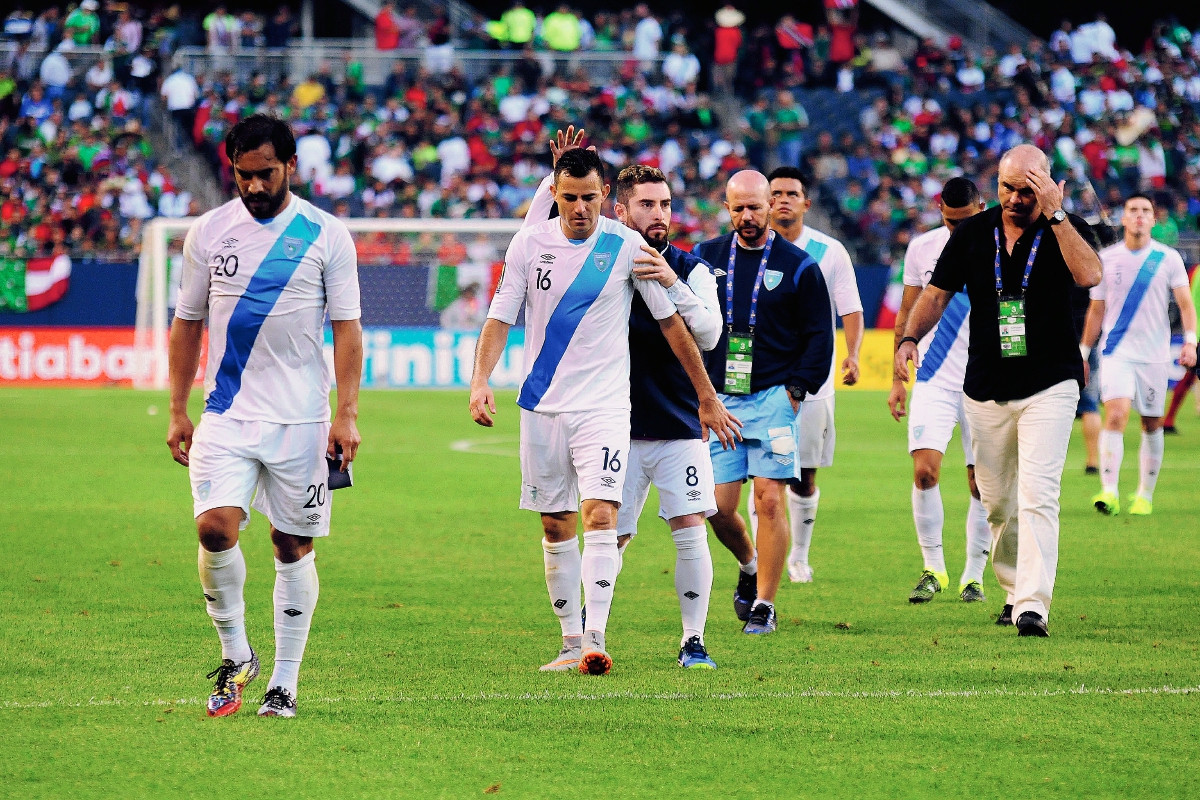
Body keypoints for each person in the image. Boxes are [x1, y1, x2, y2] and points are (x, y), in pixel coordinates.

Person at [470, 147, 738, 675]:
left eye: (589, 197)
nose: (579, 208)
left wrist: (707, 396)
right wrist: (480, 380)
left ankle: (595, 638)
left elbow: (674, 327)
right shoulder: (528, 244)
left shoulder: (627, 246)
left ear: (605, 198)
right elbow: (501, 316)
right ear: (555, 196)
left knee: (601, 516)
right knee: (555, 523)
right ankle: (569, 641)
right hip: (543, 405)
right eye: (568, 198)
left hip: (607, 409)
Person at [166, 115, 363, 717]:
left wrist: (346, 415)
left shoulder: (326, 234)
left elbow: (348, 332)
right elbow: (187, 325)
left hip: (301, 419)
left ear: (291, 168)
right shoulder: (207, 233)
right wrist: (177, 408)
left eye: (266, 174)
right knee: (214, 529)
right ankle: (236, 654)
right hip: (225, 413)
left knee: (291, 542)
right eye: (243, 175)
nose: (254, 186)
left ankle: (285, 681)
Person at [895, 144, 1102, 638]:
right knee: (996, 501)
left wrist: (1055, 214)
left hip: (1051, 382)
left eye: (1028, 189)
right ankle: (1012, 588)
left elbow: (1089, 274)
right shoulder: (971, 233)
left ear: (1050, 187)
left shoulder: (1065, 230)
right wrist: (907, 338)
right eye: (1007, 187)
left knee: (1038, 493)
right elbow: (937, 294)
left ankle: (1032, 605)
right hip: (985, 386)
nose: (1014, 198)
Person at [694, 170, 834, 636]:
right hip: (721, 401)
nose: (748, 216)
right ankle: (750, 564)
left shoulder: (799, 265)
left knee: (770, 499)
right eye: (738, 209)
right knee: (717, 507)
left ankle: (765, 606)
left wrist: (796, 391)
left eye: (756, 207)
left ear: (771, 206)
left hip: (774, 395)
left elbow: (819, 336)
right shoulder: (705, 258)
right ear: (727, 208)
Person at [746, 166, 863, 585]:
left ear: (806, 203)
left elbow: (850, 308)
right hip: (758, 381)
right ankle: (764, 553)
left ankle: (798, 555)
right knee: (758, 472)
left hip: (812, 384)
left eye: (791, 193)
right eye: (775, 193)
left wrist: (853, 355)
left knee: (804, 474)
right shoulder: (749, 248)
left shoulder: (829, 252)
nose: (782, 200)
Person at [888, 177, 991, 603]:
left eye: (965, 222)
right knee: (925, 471)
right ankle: (933, 568)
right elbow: (909, 311)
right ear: (939, 209)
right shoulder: (922, 248)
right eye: (950, 222)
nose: (957, 231)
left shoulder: (1002, 245)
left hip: (985, 379)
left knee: (980, 483)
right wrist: (897, 377)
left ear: (982, 208)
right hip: (933, 376)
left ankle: (974, 575)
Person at [1082, 194, 1197, 516]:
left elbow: (1186, 305)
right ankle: (1109, 492)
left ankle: (1144, 494)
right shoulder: (1107, 258)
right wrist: (1084, 351)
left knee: (1151, 422)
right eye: (1133, 210)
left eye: (1145, 211)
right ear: (1123, 218)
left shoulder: (1168, 258)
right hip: (1116, 351)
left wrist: (1190, 342)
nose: (1139, 216)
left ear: (1153, 219)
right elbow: (1096, 310)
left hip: (1155, 355)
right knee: (1116, 414)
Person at [1163, 265, 1200, 432]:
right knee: (1187, 379)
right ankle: (1168, 420)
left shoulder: (1195, 271)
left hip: (1195, 334)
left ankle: (1169, 420)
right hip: (1197, 335)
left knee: (1187, 379)